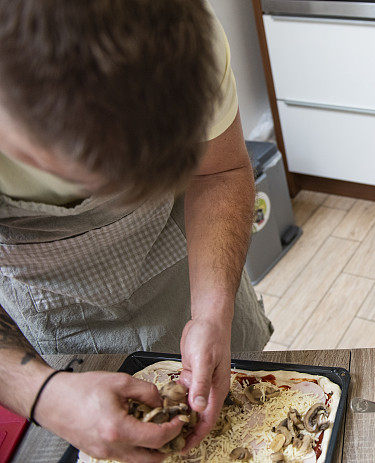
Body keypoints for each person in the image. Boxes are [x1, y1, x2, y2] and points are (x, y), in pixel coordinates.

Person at [0, 1, 273, 461]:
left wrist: (211, 314)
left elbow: (219, 170)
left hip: (183, 264)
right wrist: (41, 392)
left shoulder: (190, 33)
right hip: (50, 310)